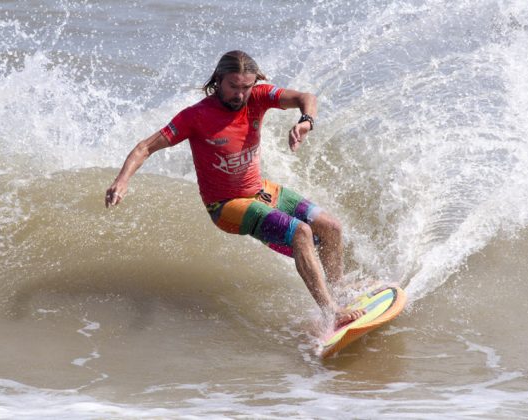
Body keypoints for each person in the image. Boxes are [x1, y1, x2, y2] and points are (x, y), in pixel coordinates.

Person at [105, 50, 365, 329]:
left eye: (246, 87)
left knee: (331, 227)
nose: (240, 95)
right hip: (226, 205)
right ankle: (331, 311)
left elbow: (306, 98)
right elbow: (145, 147)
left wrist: (306, 121)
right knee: (301, 232)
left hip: (259, 190)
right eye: (233, 86)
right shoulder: (196, 116)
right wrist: (122, 181)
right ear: (218, 80)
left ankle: (338, 294)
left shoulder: (259, 96)